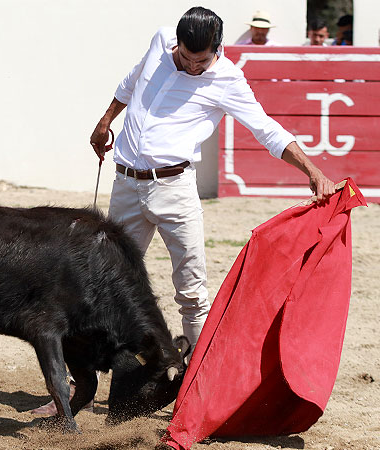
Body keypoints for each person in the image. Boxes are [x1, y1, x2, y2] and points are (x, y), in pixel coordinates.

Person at [33, 6, 336, 417]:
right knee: (97, 290)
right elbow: (131, 81)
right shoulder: (159, 40)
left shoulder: (227, 78)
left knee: (192, 292)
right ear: (175, 43)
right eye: (186, 58)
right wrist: (104, 121)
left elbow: (267, 129)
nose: (193, 67)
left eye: (202, 60)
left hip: (175, 190)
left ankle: (200, 393)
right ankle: (75, 389)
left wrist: (313, 171)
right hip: (125, 185)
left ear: (219, 48)